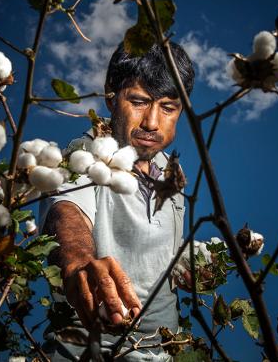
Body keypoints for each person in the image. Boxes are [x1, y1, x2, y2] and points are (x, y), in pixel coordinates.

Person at [39, 41, 195, 361]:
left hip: (163, 350)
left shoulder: (172, 175)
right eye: (138, 101)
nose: (152, 122)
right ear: (111, 98)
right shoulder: (83, 155)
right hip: (86, 348)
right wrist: (78, 259)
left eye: (168, 107)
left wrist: (189, 268)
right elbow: (67, 214)